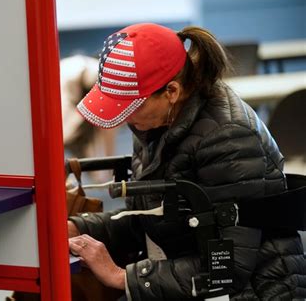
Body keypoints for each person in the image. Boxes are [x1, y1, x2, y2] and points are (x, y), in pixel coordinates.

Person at [67, 23, 306, 300]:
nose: (124, 120)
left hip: (256, 290)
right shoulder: (154, 123)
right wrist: (82, 228)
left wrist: (122, 277)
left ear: (171, 91)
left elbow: (228, 268)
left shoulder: (227, 138)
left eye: (130, 107)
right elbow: (153, 220)